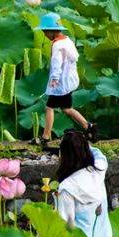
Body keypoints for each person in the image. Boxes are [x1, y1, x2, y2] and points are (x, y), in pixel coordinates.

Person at [36, 12, 96, 147]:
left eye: (45, 32)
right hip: (70, 80)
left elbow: (57, 64)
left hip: (61, 83)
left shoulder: (57, 46)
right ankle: (89, 127)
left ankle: (46, 137)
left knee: (49, 107)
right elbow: (75, 57)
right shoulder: (67, 40)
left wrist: (54, 79)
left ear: (52, 31)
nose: (45, 34)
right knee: (66, 108)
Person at [54, 129, 112, 237]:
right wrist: (81, 143)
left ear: (64, 155)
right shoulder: (99, 168)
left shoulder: (67, 187)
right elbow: (98, 153)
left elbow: (66, 224)